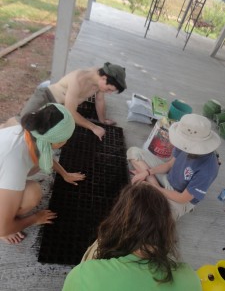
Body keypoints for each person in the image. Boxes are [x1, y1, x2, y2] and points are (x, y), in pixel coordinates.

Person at [62, 182, 202, 291]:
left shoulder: (85, 274)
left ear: (119, 222)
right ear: (166, 228)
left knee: (99, 242)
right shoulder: (190, 278)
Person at [0, 103, 85, 244]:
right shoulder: (15, 161)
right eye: (66, 138)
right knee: (32, 194)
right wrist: (35, 219)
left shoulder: (31, 132)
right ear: (58, 143)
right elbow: (2, 229)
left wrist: (65, 174)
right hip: (8, 167)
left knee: (36, 165)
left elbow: (44, 153)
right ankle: (5, 220)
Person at [127, 113, 221, 220]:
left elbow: (182, 198)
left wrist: (153, 187)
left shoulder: (208, 168)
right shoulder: (184, 142)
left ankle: (155, 189)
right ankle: (154, 187)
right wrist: (147, 172)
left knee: (157, 219)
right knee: (134, 152)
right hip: (168, 178)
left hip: (180, 196)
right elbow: (168, 165)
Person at [1, 62, 127, 140]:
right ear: (104, 78)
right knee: (23, 122)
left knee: (36, 133)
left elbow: (99, 100)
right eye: (109, 89)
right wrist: (93, 127)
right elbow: (71, 112)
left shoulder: (100, 83)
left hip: (59, 108)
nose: (108, 92)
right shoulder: (79, 78)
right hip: (46, 97)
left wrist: (102, 120)